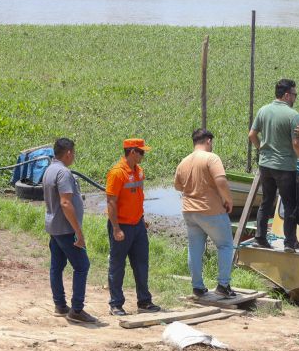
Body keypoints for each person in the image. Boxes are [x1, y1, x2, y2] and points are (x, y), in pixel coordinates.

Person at [248, 79, 299, 253]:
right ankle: (290, 243)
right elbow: (297, 144)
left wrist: (262, 149)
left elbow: (252, 134)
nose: (295, 98)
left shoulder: (263, 110)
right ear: (287, 95)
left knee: (266, 201)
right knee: (289, 203)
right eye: (295, 95)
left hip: (265, 165)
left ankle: (260, 238)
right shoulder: (292, 115)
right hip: (284, 166)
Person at [174, 128, 236, 299]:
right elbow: (221, 180)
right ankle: (223, 285)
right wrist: (228, 200)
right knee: (225, 245)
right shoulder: (211, 158)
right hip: (211, 210)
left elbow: (178, 186)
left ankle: (197, 287)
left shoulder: (184, 162)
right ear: (208, 141)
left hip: (189, 211)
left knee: (194, 248)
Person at [42, 138, 97, 324]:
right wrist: (78, 232)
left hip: (53, 227)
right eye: (73, 152)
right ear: (68, 153)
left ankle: (60, 305)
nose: (73, 156)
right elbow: (65, 203)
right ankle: (77, 309)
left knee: (57, 266)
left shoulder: (49, 170)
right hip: (65, 229)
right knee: (82, 266)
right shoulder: (64, 173)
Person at [106, 138, 161, 316]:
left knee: (141, 264)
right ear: (132, 152)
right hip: (121, 226)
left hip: (137, 226)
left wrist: (141, 218)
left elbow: (138, 197)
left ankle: (144, 301)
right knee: (117, 265)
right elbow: (111, 202)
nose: (143, 156)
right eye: (141, 152)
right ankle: (116, 304)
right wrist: (116, 229)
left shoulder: (139, 172)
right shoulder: (116, 173)